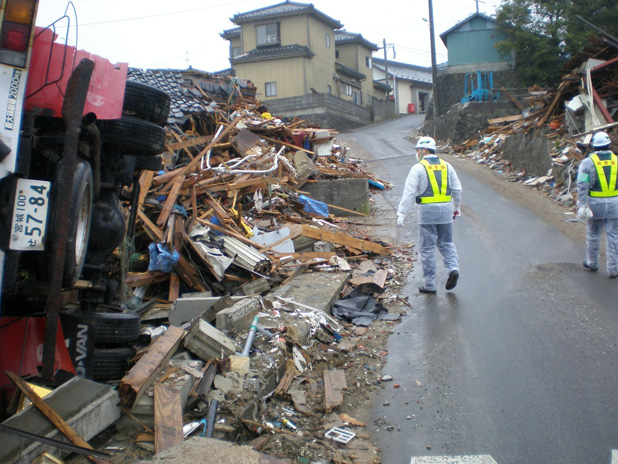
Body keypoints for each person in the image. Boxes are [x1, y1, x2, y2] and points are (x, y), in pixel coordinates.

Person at [397, 136, 462, 294]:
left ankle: (429, 284)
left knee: (427, 248)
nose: (417, 153)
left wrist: (402, 214)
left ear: (424, 150)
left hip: (427, 213)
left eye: (418, 149)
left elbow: (409, 193)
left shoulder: (418, 168)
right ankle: (453, 268)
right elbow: (457, 190)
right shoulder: (447, 166)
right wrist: (456, 207)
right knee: (447, 243)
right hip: (446, 210)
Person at [576, 131, 618, 278]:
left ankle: (592, 262)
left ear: (594, 146)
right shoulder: (616, 160)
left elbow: (582, 185)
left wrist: (582, 205)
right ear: (608, 145)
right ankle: (613, 268)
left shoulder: (587, 163)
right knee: (613, 235)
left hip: (595, 205)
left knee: (593, 234)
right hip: (614, 204)